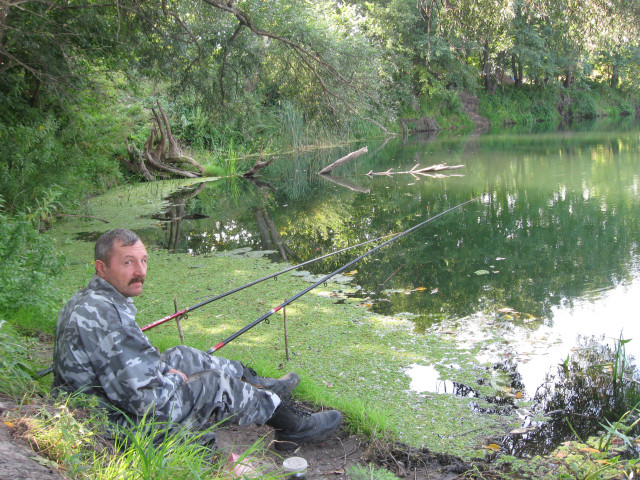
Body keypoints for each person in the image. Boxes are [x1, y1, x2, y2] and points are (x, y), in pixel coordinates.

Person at [53, 228, 342, 451]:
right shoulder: (107, 316)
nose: (140, 271)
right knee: (214, 383)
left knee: (182, 356)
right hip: (112, 425)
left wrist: (168, 371)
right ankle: (292, 426)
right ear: (102, 268)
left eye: (143, 261)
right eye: (127, 262)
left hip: (101, 404)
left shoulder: (91, 300)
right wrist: (176, 380)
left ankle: (265, 387)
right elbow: (144, 401)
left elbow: (130, 368)